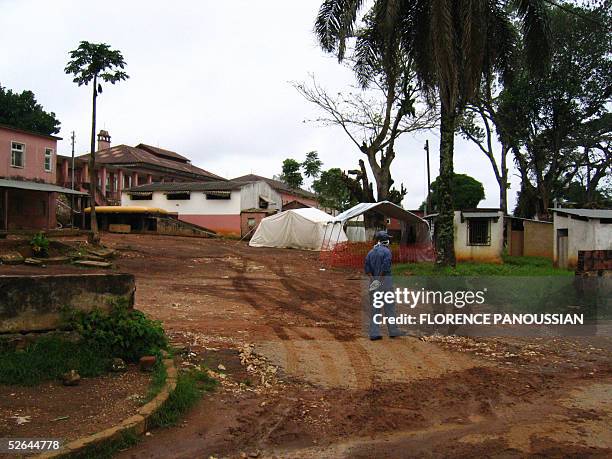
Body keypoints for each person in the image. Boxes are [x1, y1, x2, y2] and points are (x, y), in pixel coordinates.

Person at [364, 231, 406, 340]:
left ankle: (374, 333)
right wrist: (380, 280)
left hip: (373, 285)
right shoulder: (387, 252)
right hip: (386, 284)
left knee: (375, 308)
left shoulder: (370, 252)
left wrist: (374, 281)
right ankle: (393, 331)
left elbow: (367, 270)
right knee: (389, 308)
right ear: (385, 240)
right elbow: (385, 269)